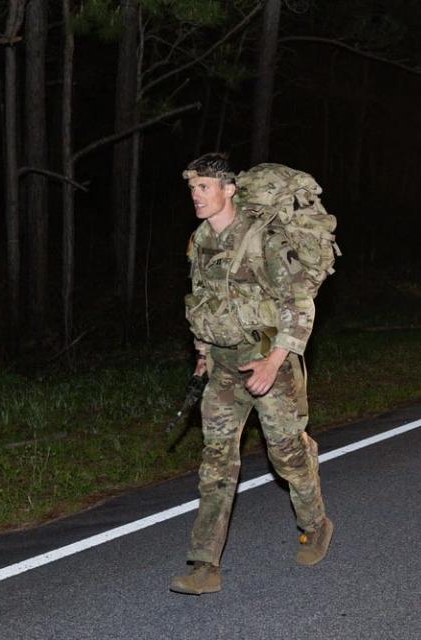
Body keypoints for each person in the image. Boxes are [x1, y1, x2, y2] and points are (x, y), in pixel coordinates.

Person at [170, 153, 333, 595]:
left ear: (229, 190)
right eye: (192, 189)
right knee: (216, 462)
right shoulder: (200, 239)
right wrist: (202, 352)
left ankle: (316, 524)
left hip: (269, 359)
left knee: (287, 457)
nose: (196, 196)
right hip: (223, 367)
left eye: (204, 187)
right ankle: (204, 564)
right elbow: (203, 300)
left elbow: (299, 305)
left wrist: (273, 362)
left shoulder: (265, 238)